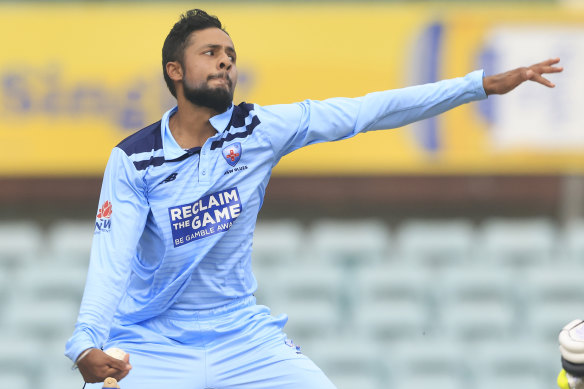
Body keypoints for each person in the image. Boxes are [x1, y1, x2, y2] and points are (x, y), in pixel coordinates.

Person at [65, 8, 563, 389]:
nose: (225, 62)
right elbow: (112, 259)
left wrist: (478, 85)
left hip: (241, 335)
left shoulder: (258, 129)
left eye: (230, 55)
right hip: (152, 341)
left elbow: (366, 111)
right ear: (175, 70)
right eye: (211, 53)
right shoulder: (133, 159)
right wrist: (86, 341)